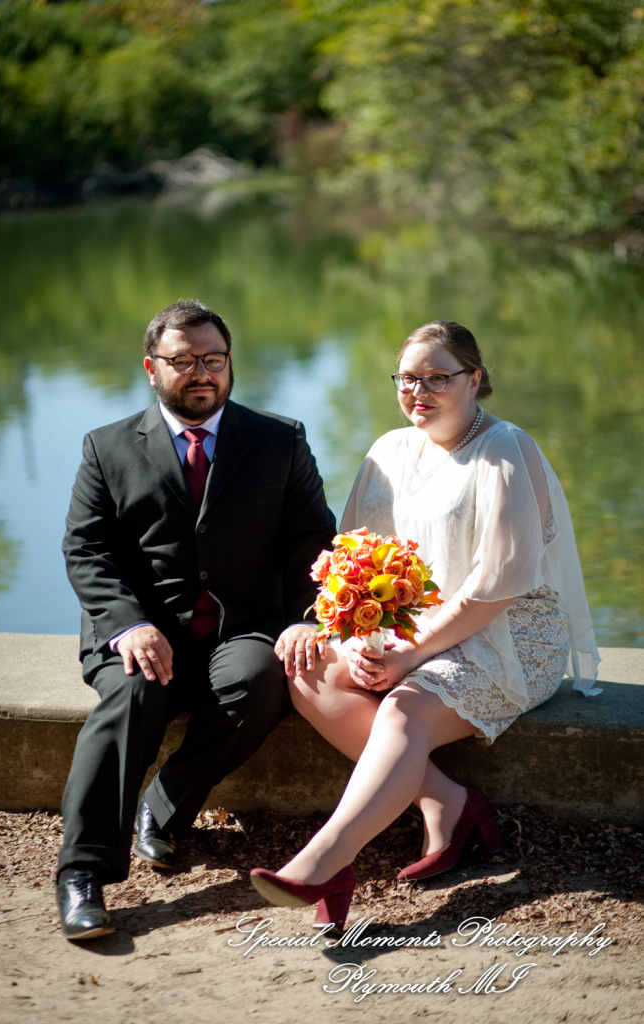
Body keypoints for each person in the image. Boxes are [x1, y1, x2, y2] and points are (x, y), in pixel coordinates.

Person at [251, 320, 600, 933]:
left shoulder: (505, 450)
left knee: (402, 711)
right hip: (416, 636)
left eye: (439, 377)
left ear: (476, 380)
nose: (420, 391)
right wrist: (361, 639)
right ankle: (449, 799)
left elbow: (499, 586)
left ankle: (327, 860)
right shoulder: (388, 451)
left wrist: (407, 656)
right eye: (408, 378)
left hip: (512, 637)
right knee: (308, 672)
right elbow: (353, 564)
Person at [57, 299, 336, 941]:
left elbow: (313, 542)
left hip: (240, 629)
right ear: (152, 368)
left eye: (213, 359)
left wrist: (304, 618)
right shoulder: (106, 447)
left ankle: (166, 805)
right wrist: (127, 622)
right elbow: (86, 548)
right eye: (183, 361)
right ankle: (83, 876)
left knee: (267, 675)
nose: (201, 373)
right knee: (129, 696)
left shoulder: (279, 438)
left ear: (230, 363)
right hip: (140, 631)